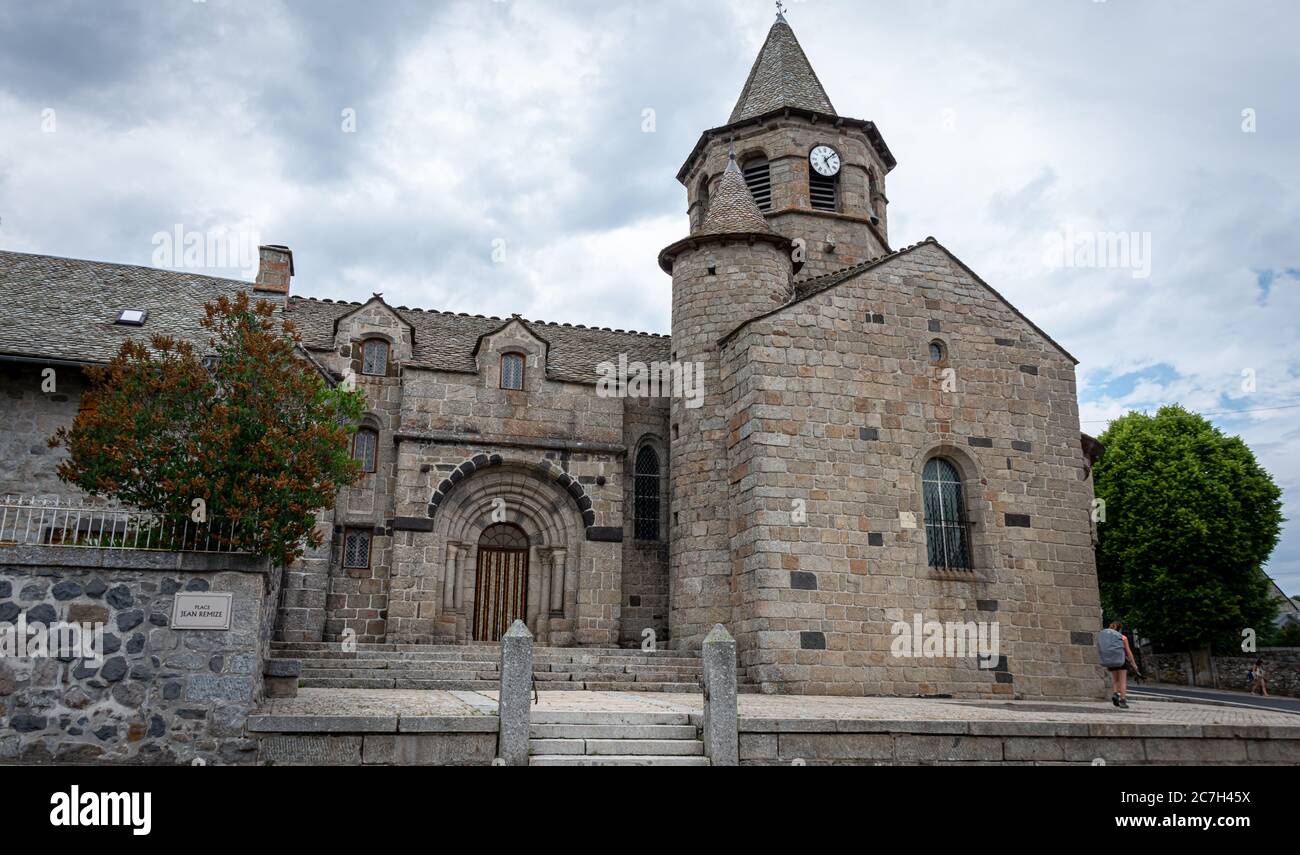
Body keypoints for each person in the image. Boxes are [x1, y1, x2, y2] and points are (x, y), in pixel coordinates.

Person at [1097, 621, 1140, 708]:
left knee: (1115, 680)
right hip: (1121, 661)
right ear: (1119, 628)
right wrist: (1134, 664)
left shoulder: (1106, 638)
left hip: (1110, 661)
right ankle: (1123, 700)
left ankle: (1115, 694)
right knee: (1122, 681)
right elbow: (1128, 652)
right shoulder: (1123, 637)